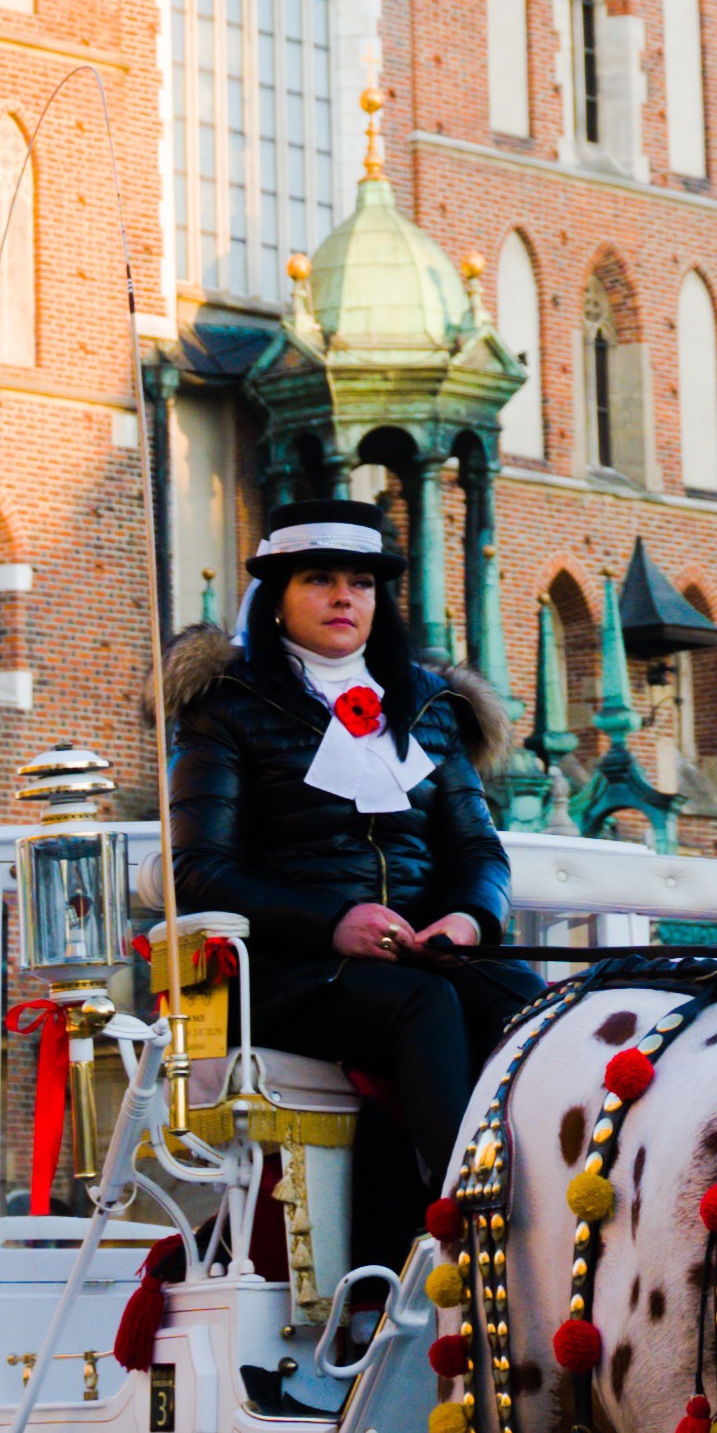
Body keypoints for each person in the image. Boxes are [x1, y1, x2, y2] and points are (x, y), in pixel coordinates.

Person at [169, 514, 543, 1216]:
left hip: (426, 955)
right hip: (288, 970)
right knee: (423, 1004)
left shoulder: (431, 707)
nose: (344, 597)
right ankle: (466, 1214)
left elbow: (478, 850)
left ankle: (569, 1199)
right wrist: (334, 922)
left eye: (361, 583)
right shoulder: (226, 708)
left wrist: (467, 920)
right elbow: (198, 870)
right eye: (320, 579)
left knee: (535, 1002)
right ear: (277, 596)